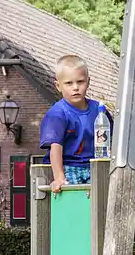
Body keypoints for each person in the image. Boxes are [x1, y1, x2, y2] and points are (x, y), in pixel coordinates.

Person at [39, 54, 114, 193]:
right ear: (58, 86)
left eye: (80, 82)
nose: (75, 87)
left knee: (100, 202)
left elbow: (112, 141)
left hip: (95, 166)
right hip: (69, 166)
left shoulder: (99, 111)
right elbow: (55, 148)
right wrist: (59, 177)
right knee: (76, 202)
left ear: (88, 82)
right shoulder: (57, 114)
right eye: (69, 83)